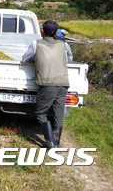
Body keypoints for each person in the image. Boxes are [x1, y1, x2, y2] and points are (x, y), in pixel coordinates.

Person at [22, 20, 71, 148]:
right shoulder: (63, 45)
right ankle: (56, 143)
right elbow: (67, 59)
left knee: (40, 113)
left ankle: (49, 142)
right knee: (58, 113)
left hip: (47, 83)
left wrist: (37, 59)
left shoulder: (36, 44)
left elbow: (25, 59)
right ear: (56, 33)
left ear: (42, 31)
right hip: (63, 83)